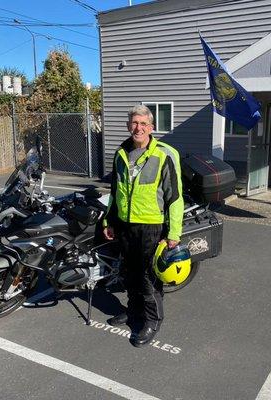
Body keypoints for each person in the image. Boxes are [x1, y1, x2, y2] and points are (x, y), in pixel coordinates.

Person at [102, 104, 184, 347]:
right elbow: (115, 191)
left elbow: (175, 197)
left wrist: (174, 232)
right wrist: (110, 220)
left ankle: (152, 320)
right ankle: (133, 310)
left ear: (151, 127)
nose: (138, 128)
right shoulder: (121, 153)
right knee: (129, 273)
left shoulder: (165, 154)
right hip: (126, 225)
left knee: (148, 277)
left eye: (143, 124)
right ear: (129, 126)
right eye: (134, 123)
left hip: (152, 226)